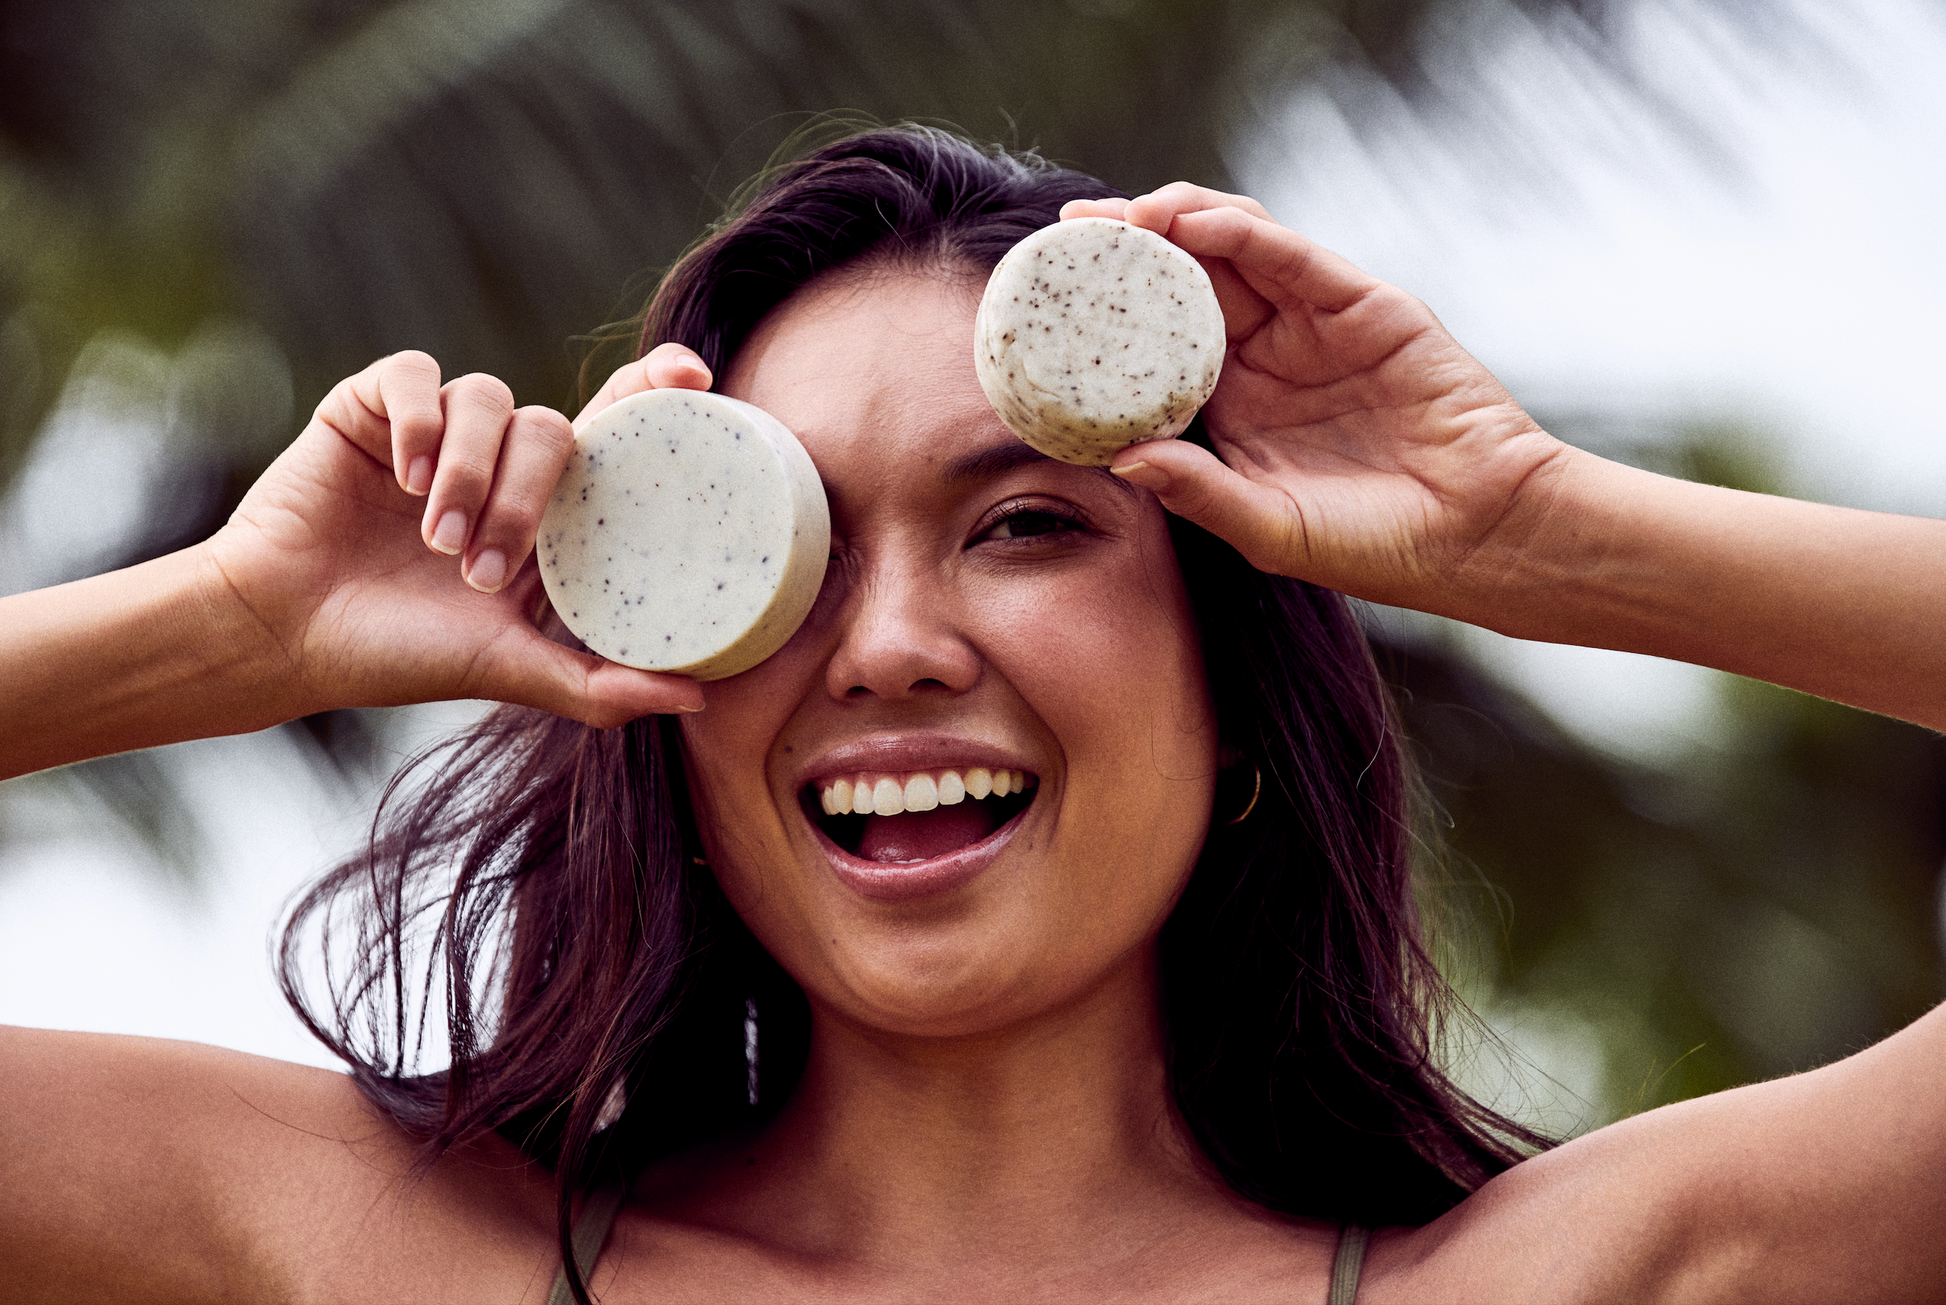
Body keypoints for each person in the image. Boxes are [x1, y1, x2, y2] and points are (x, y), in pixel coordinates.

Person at [3, 126, 1943, 1304]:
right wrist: (232, 630)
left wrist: (1541, 536)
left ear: (1225, 659)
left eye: (1023, 524)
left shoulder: (1583, 1274)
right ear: (655, 679)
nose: (888, 644)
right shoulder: (354, 1248)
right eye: (775, 551)